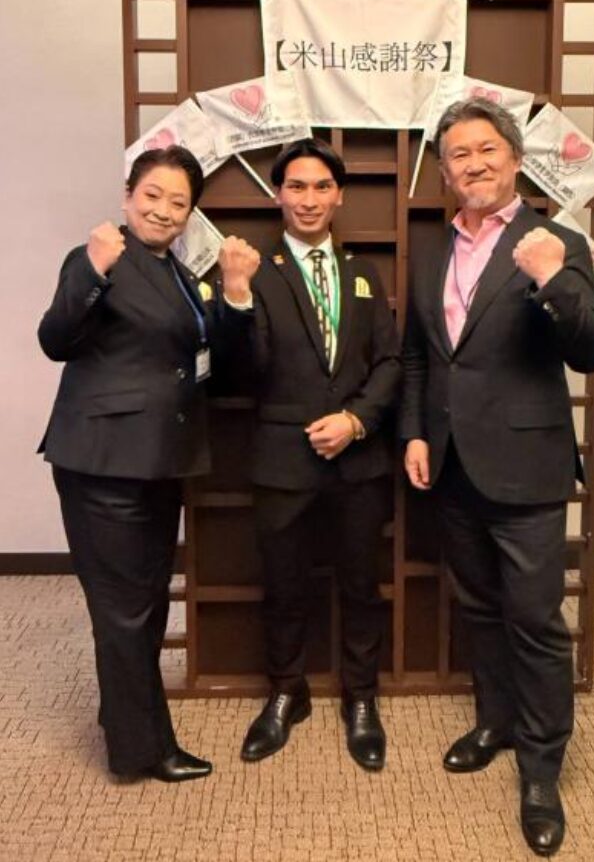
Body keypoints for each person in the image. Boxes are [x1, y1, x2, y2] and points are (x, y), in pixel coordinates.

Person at [400, 99, 594, 855]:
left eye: (487, 149)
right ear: (445, 171)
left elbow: (590, 349)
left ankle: (542, 767)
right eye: (459, 154)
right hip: (452, 462)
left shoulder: (556, 241)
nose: (474, 163)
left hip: (527, 466)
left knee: (536, 620)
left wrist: (553, 279)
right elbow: (421, 354)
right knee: (480, 607)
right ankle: (495, 720)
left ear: (516, 160)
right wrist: (415, 431)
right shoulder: (431, 249)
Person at [38, 145, 260, 782]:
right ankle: (141, 751)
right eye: (152, 196)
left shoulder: (179, 274)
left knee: (145, 604)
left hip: (159, 462)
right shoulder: (97, 258)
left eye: (178, 202)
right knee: (125, 610)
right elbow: (55, 339)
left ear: (190, 215)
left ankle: (128, 720)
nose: (163, 210)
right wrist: (93, 268)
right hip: (105, 463)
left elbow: (216, 368)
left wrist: (235, 296)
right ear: (128, 195)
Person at [239, 137, 400, 771]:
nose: (309, 199)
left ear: (339, 197)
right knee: (283, 586)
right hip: (283, 461)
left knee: (361, 585)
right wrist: (233, 295)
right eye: (297, 186)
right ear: (278, 195)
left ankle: (362, 697)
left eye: (321, 187)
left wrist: (356, 421)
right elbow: (242, 369)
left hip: (358, 460)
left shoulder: (364, 273)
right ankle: (287, 692)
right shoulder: (256, 270)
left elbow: (389, 361)